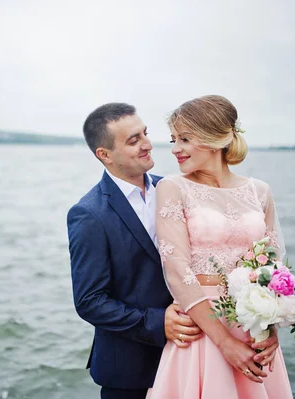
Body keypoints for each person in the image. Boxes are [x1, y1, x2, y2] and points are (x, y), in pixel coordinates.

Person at [147, 95, 293, 398]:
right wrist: (224, 342)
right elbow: (176, 269)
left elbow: (274, 267)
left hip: (254, 328)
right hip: (202, 327)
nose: (175, 149)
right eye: (173, 139)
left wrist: (271, 328)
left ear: (214, 139)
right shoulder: (173, 188)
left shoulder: (260, 191)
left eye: (185, 139)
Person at [67, 103, 204, 399]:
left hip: (191, 357)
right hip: (129, 371)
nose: (147, 145)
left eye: (145, 133)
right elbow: (89, 301)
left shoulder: (173, 189)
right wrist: (157, 322)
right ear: (104, 155)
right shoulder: (88, 214)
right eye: (133, 140)